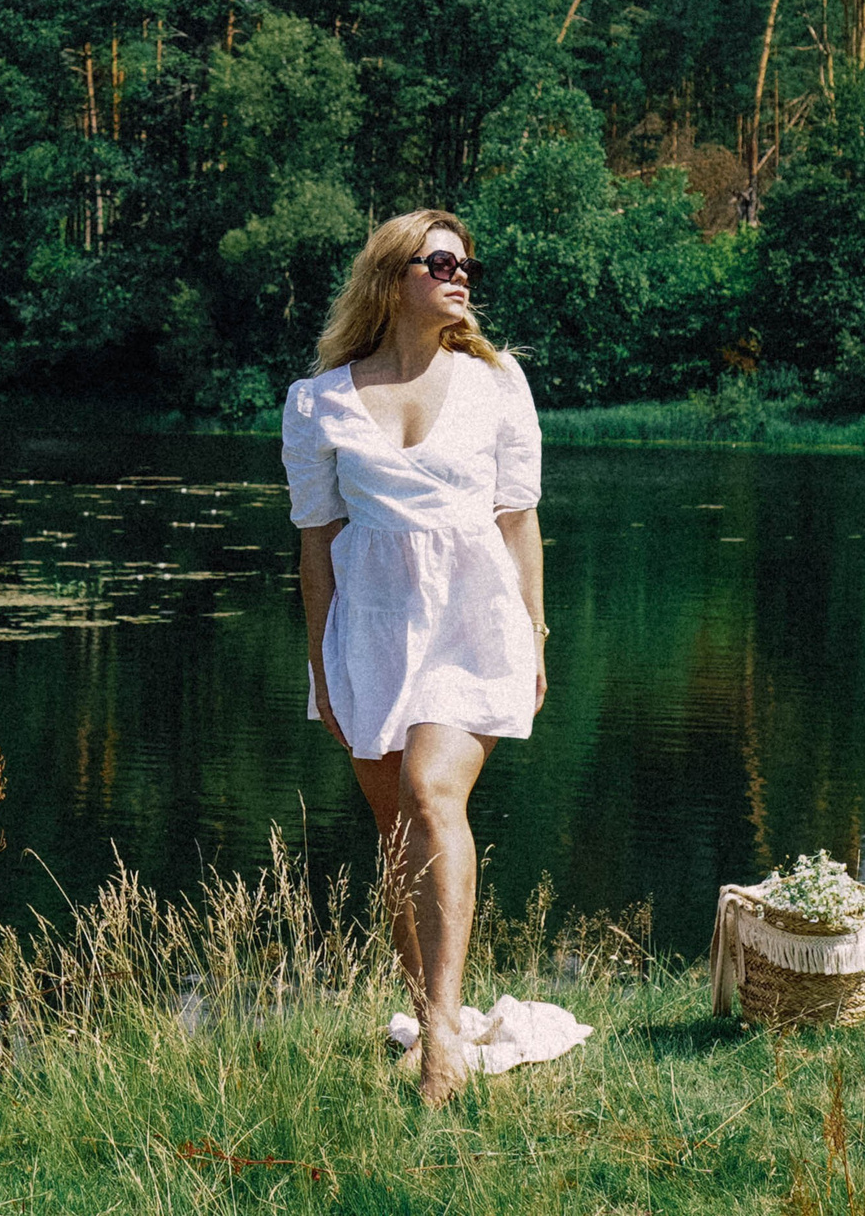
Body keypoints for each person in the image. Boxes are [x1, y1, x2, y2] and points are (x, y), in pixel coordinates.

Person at [279, 208, 546, 1106]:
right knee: (396, 832)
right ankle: (435, 1008)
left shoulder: (498, 382)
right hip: (371, 634)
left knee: (434, 792)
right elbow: (316, 546)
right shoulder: (317, 402)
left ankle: (439, 1041)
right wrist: (320, 662)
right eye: (442, 262)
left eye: (469, 263)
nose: (462, 275)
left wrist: (537, 634)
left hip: (475, 625)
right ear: (395, 278)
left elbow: (518, 518)